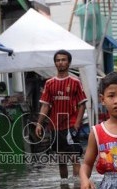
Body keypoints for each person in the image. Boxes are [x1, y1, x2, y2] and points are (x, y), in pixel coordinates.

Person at [35, 49, 87, 180]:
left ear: (69, 63)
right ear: (55, 63)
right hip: (55, 126)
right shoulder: (49, 83)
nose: (61, 62)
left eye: (63, 60)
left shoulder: (75, 82)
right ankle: (64, 188)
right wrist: (39, 124)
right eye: (58, 60)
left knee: (74, 157)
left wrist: (77, 123)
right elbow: (45, 105)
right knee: (61, 158)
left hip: (71, 125)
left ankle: (77, 186)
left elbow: (82, 104)